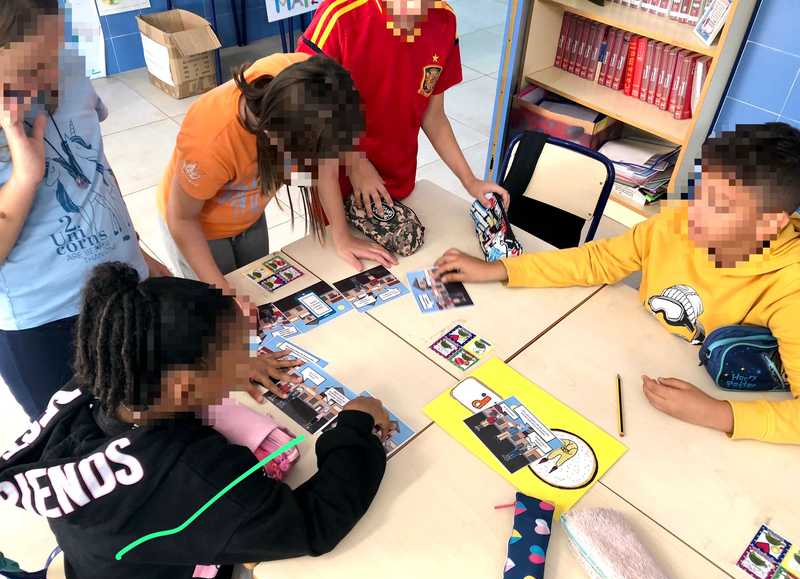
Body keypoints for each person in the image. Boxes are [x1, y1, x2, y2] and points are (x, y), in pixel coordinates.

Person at [0, 262, 391, 579]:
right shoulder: (194, 476)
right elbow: (315, 523)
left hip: (107, 575)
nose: (248, 359)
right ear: (184, 387)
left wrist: (223, 369)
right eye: (238, 354)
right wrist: (357, 426)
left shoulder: (92, 387)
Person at [435, 123, 800, 445]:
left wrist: (720, 414)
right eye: (700, 191)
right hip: (633, 368)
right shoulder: (671, 226)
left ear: (771, 223)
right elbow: (596, 261)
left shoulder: (790, 284)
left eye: (720, 206)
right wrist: (501, 270)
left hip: (712, 406)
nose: (695, 213)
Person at [0, 0, 170, 419]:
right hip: (45, 322)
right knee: (80, 447)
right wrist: (24, 177)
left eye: (56, 52)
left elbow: (98, 175)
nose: (52, 75)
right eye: (30, 69)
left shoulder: (66, 66)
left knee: (153, 421)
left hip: (123, 286)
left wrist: (138, 254)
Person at [156, 52, 394, 303]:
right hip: (197, 227)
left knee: (258, 296)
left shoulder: (309, 81)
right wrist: (223, 292)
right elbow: (181, 218)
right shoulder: (209, 143)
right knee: (217, 310)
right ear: (273, 136)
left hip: (250, 216)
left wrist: (341, 235)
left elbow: (325, 165)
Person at [297, 0, 509, 264]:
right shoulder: (339, 17)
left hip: (397, 181)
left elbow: (434, 116)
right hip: (335, 186)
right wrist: (355, 161)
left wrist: (470, 180)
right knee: (338, 266)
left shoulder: (444, 21)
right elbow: (308, 112)